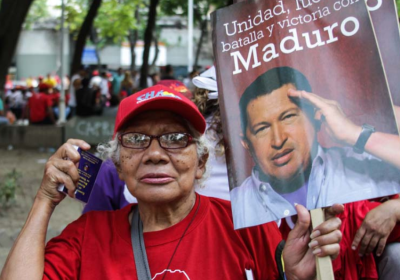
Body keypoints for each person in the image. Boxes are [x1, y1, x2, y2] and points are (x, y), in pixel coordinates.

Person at [1, 85, 343, 280]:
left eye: (176, 138)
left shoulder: (244, 224)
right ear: (119, 167)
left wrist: (296, 279)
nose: (155, 153)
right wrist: (45, 199)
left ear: (201, 162)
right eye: (136, 140)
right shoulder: (87, 235)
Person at [230, 66, 400, 229]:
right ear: (245, 142)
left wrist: (353, 134)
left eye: (288, 117)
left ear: (316, 118)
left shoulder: (360, 168)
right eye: (262, 129)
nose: (278, 140)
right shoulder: (236, 207)